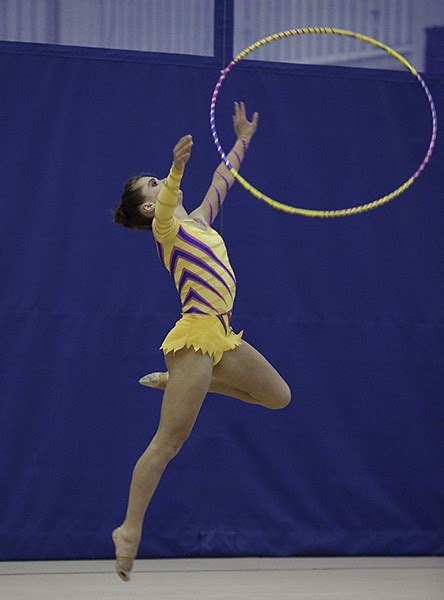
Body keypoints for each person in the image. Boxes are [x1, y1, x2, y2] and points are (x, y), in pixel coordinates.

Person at [111, 101, 291, 581]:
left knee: (278, 397)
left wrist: (242, 141)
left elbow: (222, 181)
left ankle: (187, 383)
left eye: (158, 178)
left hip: (222, 338)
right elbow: (169, 202)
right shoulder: (166, 229)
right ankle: (129, 529)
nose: (160, 186)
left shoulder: (201, 224)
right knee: (169, 441)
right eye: (152, 185)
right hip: (196, 336)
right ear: (149, 207)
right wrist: (174, 168)